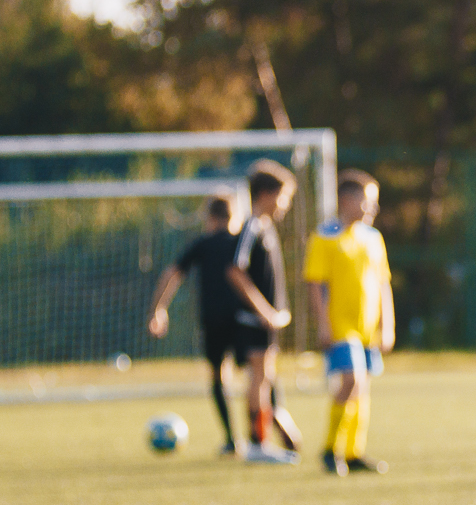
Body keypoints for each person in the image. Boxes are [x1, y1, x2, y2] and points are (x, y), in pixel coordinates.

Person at [303, 169, 395, 476]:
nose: (373, 209)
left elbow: (382, 284)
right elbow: (315, 283)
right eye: (368, 201)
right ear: (346, 199)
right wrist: (323, 324)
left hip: (368, 327)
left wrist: (388, 325)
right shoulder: (325, 236)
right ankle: (330, 449)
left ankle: (354, 452)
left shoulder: (373, 238)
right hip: (341, 325)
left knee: (363, 387)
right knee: (351, 381)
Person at [146, 191, 249, 456]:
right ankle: (259, 436)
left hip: (213, 319)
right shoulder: (242, 242)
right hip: (245, 319)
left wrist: (159, 309)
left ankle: (231, 439)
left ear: (210, 217)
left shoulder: (203, 243)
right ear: (233, 215)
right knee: (257, 376)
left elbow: (172, 272)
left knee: (219, 377)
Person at [231, 160, 302, 464]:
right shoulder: (251, 226)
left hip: (264, 321)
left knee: (266, 377)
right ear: (266, 194)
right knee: (258, 378)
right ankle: (257, 444)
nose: (285, 204)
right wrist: (264, 311)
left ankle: (265, 439)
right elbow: (235, 271)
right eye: (283, 196)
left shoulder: (266, 227)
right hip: (252, 320)